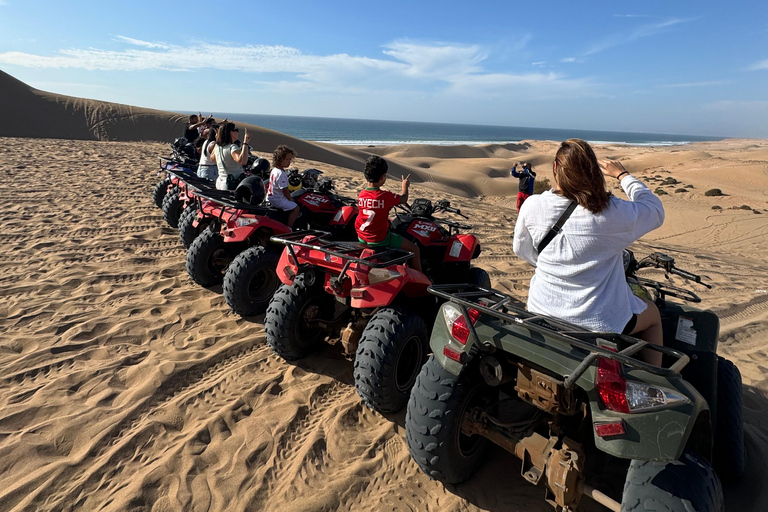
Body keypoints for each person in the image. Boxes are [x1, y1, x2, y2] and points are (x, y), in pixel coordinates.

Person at [512, 139, 665, 365]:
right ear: (594, 171)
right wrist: (623, 175)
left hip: (541, 310)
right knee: (653, 318)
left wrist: (557, 263)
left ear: (556, 168)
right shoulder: (613, 212)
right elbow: (654, 209)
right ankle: (654, 382)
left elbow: (521, 250)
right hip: (598, 324)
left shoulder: (533, 205)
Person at [354, 155, 422, 272]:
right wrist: (404, 186)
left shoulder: (361, 194)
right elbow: (404, 198)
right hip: (380, 239)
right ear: (383, 177)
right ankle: (420, 281)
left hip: (362, 235)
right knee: (415, 249)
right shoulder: (385, 196)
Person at [266, 145, 300, 227]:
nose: (289, 162)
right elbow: (284, 190)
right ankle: (289, 227)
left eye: (290, 159)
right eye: (287, 159)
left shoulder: (274, 170)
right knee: (296, 208)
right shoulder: (281, 174)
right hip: (278, 200)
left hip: (270, 197)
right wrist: (290, 198)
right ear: (280, 160)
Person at [209, 122, 249, 190]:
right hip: (230, 183)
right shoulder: (232, 147)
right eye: (236, 130)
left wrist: (218, 140)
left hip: (220, 181)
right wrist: (245, 143)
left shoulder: (217, 147)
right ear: (231, 132)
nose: (237, 132)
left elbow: (212, 159)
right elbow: (243, 161)